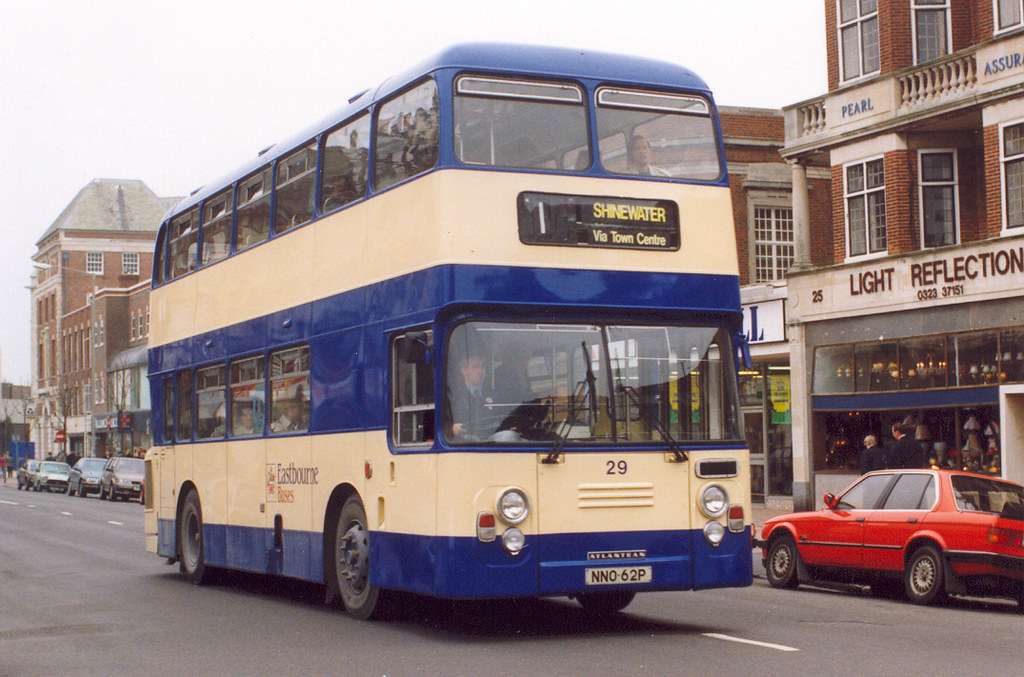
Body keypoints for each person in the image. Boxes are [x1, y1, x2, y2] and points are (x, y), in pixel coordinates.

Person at [448, 351, 496, 440]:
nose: (480, 371)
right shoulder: (454, 395)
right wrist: (451, 428)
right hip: (466, 440)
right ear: (464, 370)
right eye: (475, 367)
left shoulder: (493, 393)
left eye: (483, 366)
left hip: (492, 437)